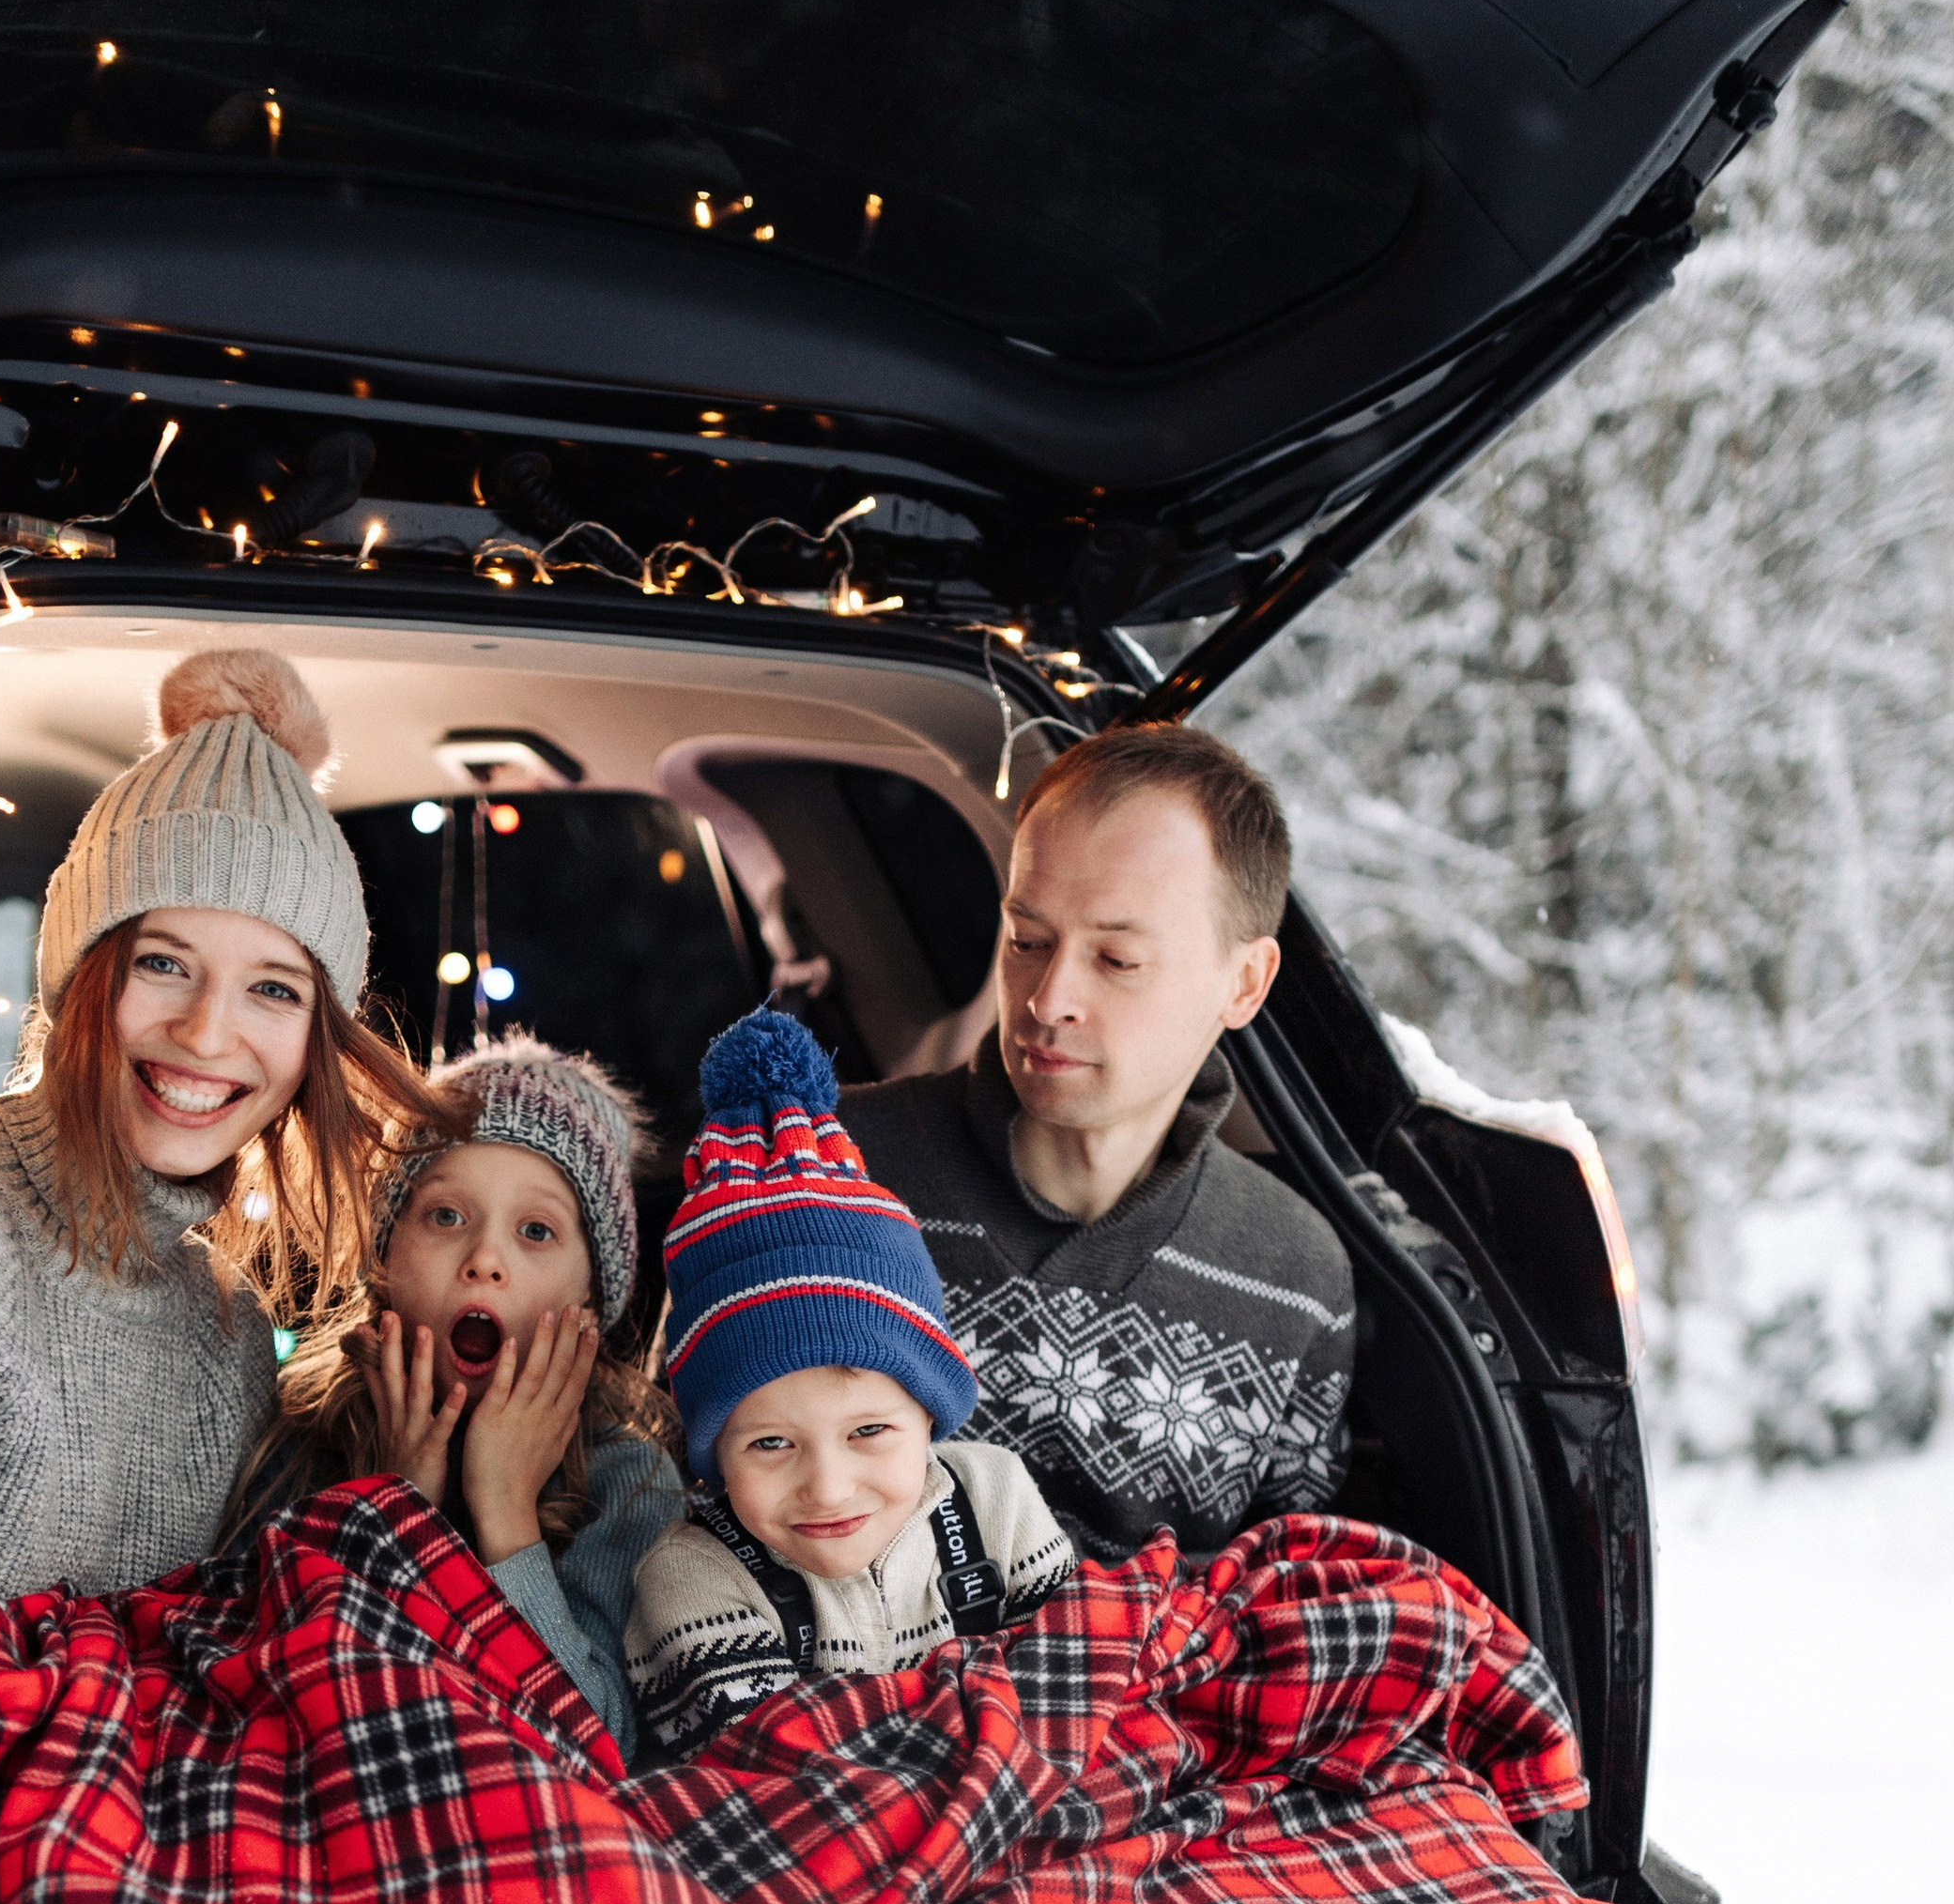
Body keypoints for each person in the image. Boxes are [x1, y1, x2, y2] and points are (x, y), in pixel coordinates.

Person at [0, 644, 434, 1773]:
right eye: (165, 963)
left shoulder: (227, 1316)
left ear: (316, 1039)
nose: (210, 1035)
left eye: (272, 988)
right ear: (82, 975)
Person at [839, 722, 1354, 1564]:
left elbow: (1275, 1615)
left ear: (1245, 982)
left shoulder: (1299, 1279)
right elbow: (677, 1503)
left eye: (1115, 959)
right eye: (1027, 941)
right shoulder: (829, 1167)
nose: (1047, 999)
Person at [627, 1007, 1070, 1757]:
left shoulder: (995, 1503)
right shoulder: (691, 1580)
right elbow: (786, 1788)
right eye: (770, 1443)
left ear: (929, 1415)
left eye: (868, 1431)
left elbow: (1080, 1691)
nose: (828, 1489)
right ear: (712, 1451)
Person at [244, 1037, 684, 1756]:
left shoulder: (627, 1484)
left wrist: (507, 1516)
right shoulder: (295, 1431)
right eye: (446, 1216)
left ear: (589, 1304)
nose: (486, 1260)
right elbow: (277, 1700)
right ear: (383, 1256)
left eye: (536, 1231)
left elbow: (596, 1749)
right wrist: (396, 1507)